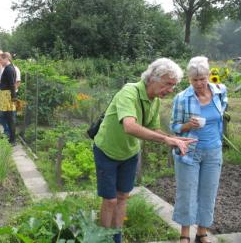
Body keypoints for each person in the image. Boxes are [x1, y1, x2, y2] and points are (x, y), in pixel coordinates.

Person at [93, 58, 197, 243]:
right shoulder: (129, 92)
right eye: (168, 84)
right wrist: (165, 139)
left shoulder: (154, 100)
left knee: (123, 197)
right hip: (107, 151)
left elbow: (153, 128)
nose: (171, 89)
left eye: (174, 85)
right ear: (153, 79)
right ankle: (102, 239)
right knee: (110, 200)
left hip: (130, 153)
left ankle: (116, 238)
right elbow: (130, 127)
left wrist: (172, 138)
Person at [170, 56, 227, 243]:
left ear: (209, 75)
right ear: (189, 79)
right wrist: (188, 125)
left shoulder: (220, 91)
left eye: (202, 78)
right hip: (189, 153)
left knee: (208, 192)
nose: (199, 83)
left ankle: (202, 232)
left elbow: (221, 115)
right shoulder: (182, 98)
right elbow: (174, 126)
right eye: (195, 80)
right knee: (187, 192)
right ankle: (184, 234)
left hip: (213, 151)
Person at [0, 52, 17, 145]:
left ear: (6, 59)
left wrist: (13, 98)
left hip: (8, 95)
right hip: (5, 95)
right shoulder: (8, 68)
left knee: (10, 118)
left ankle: (13, 140)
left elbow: (12, 84)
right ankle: (11, 138)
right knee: (7, 117)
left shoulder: (9, 69)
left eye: (1, 59)